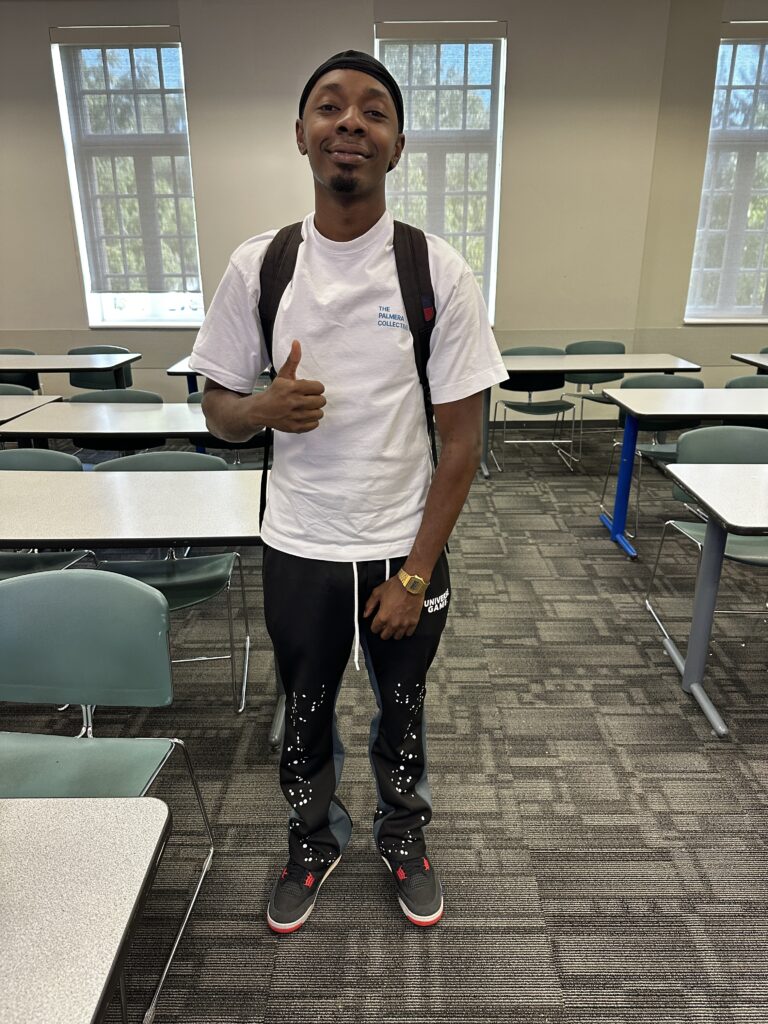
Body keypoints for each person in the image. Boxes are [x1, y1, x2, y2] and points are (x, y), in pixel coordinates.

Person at [190, 50, 507, 934]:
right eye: (330, 108)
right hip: (299, 543)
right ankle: (313, 839)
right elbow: (217, 410)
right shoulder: (260, 267)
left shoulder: (435, 271)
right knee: (307, 711)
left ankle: (403, 837)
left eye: (373, 112)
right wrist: (261, 406)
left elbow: (463, 443)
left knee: (402, 710)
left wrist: (412, 575)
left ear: (397, 145)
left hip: (401, 547)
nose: (350, 124)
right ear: (302, 134)